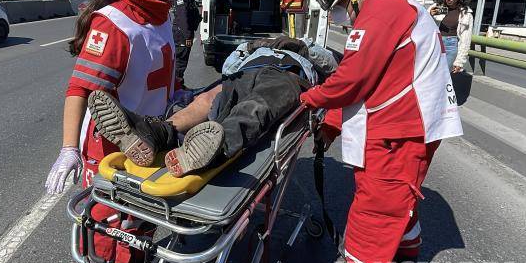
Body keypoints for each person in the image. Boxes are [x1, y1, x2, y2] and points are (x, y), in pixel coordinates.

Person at [299, 0, 463, 263]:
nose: (342, 14)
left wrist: (306, 99)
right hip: (404, 120)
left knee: (378, 199)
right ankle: (405, 251)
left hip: (401, 127)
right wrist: (330, 124)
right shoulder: (393, 8)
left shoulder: (381, 13)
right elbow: (367, 79)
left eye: (342, 3)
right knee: (398, 195)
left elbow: (351, 81)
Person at [43, 0, 183, 263]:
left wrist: (180, 96)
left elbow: (164, 73)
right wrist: (69, 150)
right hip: (110, 147)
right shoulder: (114, 25)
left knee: (144, 215)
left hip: (152, 137)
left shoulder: (160, 18)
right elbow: (80, 89)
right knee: (101, 228)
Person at [87, 36, 339, 177]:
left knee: (255, 107)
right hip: (246, 71)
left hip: (286, 73)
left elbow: (330, 66)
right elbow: (230, 66)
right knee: (206, 100)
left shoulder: (303, 48)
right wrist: (249, 51)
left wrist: (303, 47)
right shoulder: (255, 46)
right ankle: (155, 133)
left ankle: (214, 148)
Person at [428, 0, 473, 73]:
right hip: (435, 43)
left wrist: (459, 62)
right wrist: (429, 15)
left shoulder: (465, 13)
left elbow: (466, 39)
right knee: (429, 74)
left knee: (443, 75)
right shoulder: (436, 7)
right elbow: (423, 26)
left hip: (451, 45)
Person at [171, 0, 202, 88]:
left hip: (183, 32)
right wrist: (188, 35)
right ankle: (177, 87)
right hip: (182, 34)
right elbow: (182, 16)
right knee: (181, 61)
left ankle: (178, 84)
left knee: (182, 59)